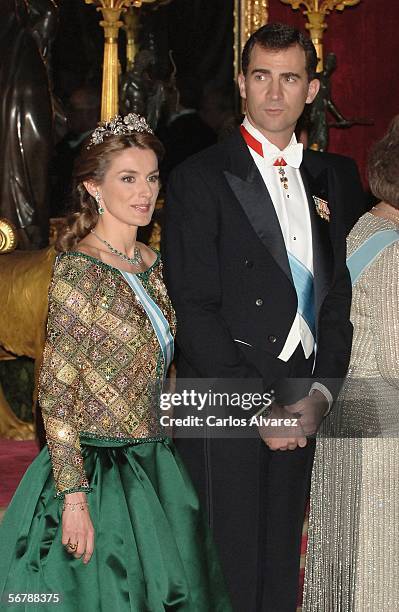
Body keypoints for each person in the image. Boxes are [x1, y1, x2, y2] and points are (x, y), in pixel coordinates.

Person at [162, 23, 365, 612]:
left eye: (290, 79)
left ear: (311, 90)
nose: (274, 94)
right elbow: (193, 308)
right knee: (228, 576)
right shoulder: (198, 177)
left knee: (281, 572)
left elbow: (336, 298)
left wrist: (323, 392)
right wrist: (259, 407)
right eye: (261, 78)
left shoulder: (337, 177)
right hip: (227, 401)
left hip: (301, 398)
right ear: (243, 87)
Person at [0, 113, 232, 612]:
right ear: (94, 188)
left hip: (156, 464)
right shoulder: (77, 272)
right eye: (128, 178)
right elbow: (56, 397)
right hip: (95, 471)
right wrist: (75, 500)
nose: (144, 191)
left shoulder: (155, 265)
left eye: (151, 177)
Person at [303, 117, 399, 611]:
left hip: (352, 415)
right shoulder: (394, 249)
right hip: (382, 436)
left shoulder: (366, 226)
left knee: (347, 570)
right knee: (376, 577)